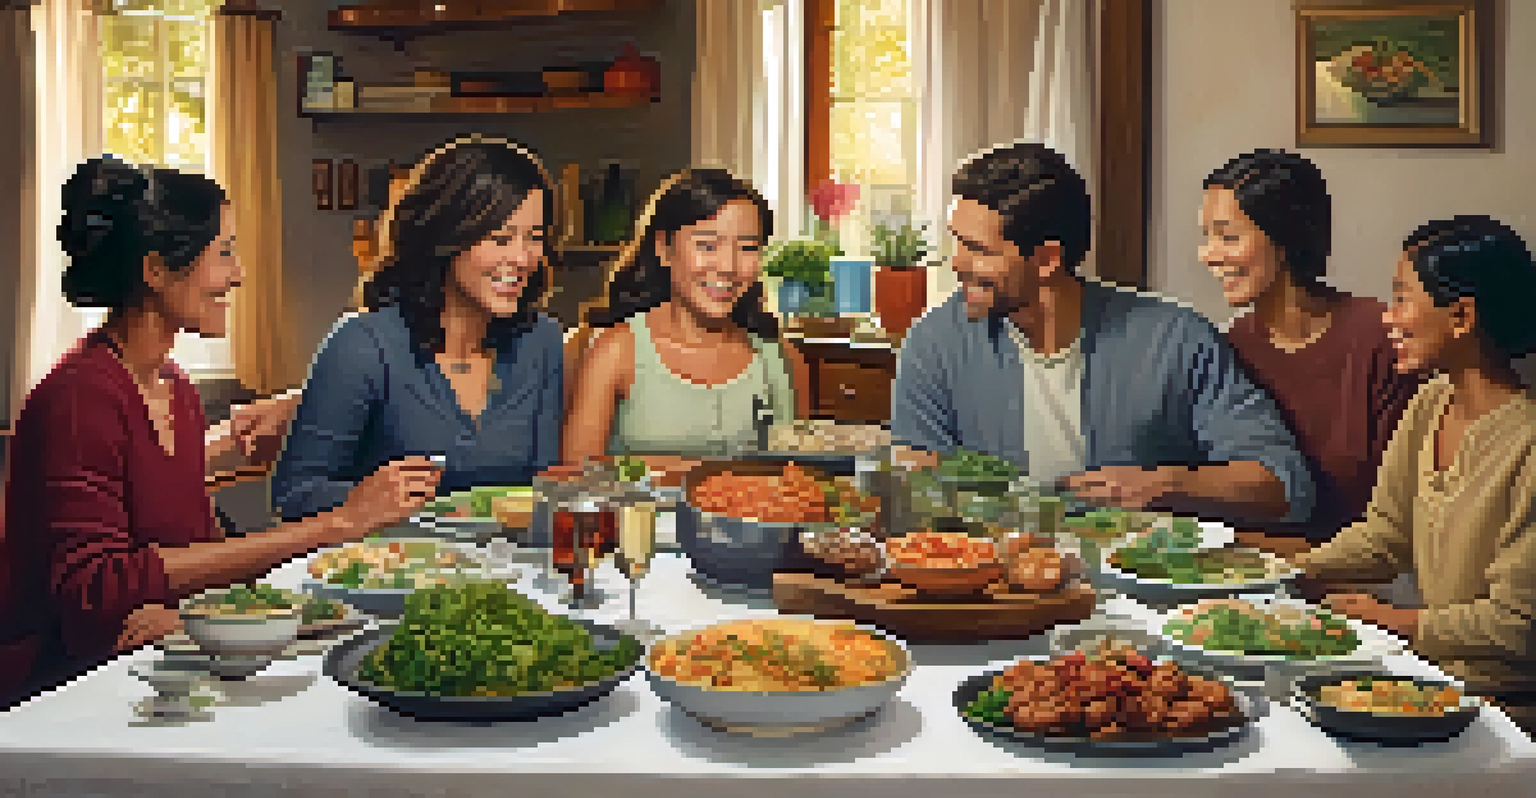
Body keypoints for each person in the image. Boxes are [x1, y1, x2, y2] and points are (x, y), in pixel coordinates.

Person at [0, 157, 438, 707]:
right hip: (61, 691)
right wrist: (339, 523)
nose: (239, 274)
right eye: (224, 252)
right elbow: (94, 589)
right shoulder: (78, 397)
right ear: (156, 270)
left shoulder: (176, 389)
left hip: (156, 671)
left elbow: (191, 552)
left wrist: (193, 613)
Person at [891, 142, 1314, 526]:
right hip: (993, 574)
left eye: (978, 250)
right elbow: (914, 491)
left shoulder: (1174, 339)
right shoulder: (935, 343)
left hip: (1140, 578)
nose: (957, 263)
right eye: (957, 242)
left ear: (1047, 260)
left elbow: (1284, 483)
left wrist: (1168, 484)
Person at [1294, 216, 1536, 734]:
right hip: (1433, 683)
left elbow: (1516, 625)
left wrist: (1390, 619)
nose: (1389, 317)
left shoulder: (1527, 442)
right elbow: (1386, 535)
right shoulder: (1430, 401)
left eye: (1402, 298)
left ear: (1461, 316)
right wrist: (1281, 572)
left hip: (1507, 712)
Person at [271, 136, 565, 521]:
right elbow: (293, 497)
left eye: (535, 238)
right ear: (445, 236)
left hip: (507, 559)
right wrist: (368, 498)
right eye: (501, 238)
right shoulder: (363, 346)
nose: (523, 258)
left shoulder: (541, 342)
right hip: (387, 557)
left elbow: (543, 491)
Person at [1200, 149, 1424, 541]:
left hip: (1363, 566)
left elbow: (1406, 509)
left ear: (1285, 240)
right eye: (1206, 237)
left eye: (1229, 237)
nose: (1208, 256)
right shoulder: (1229, 346)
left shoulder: (1381, 336)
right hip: (1249, 564)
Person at [561, 167, 795, 468]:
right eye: (707, 245)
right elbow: (576, 478)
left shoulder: (777, 356)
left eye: (748, 247)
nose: (728, 266)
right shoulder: (616, 351)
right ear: (663, 249)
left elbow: (792, 477)